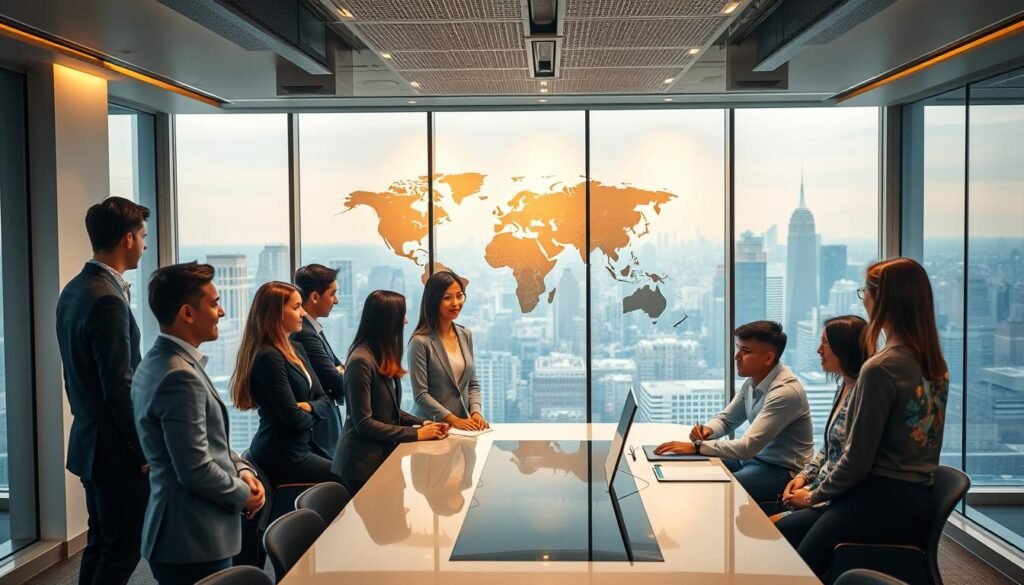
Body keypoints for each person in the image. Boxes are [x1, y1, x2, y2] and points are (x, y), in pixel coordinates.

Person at [781, 258, 949, 580]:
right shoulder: (935, 363)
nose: (864, 300)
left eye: (865, 292)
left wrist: (813, 496)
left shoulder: (881, 368)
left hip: (877, 499)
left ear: (882, 299)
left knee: (796, 569)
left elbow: (856, 459)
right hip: (915, 501)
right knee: (791, 537)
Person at [132, 262, 265, 585]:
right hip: (192, 537)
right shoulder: (179, 375)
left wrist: (244, 470)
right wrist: (242, 494)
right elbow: (194, 468)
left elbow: (209, 442)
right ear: (187, 313)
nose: (221, 312)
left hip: (187, 531)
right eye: (215, 303)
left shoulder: (161, 360)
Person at [55, 196, 150, 585]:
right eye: (143, 236)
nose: (145, 244)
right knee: (122, 550)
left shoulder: (75, 290)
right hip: (117, 452)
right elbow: (119, 386)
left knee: (101, 545)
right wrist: (142, 448)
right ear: (128, 239)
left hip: (90, 441)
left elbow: (78, 375)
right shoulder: (108, 299)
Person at [655, 320, 814, 511]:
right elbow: (726, 420)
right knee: (689, 467)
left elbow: (747, 447)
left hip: (780, 470)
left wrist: (697, 447)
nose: (736, 356)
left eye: (745, 352)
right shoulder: (753, 382)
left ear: (768, 358)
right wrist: (708, 430)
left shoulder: (785, 392)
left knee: (716, 489)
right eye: (738, 348)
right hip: (751, 460)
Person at [333, 290, 448, 495]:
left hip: (381, 459)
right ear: (387, 321)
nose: (405, 321)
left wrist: (422, 423)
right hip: (361, 466)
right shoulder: (361, 361)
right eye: (401, 316)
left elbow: (390, 412)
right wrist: (416, 434)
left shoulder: (381, 355)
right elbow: (364, 424)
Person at [231, 282, 336, 486]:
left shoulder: (295, 348)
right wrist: (317, 409)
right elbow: (293, 419)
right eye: (296, 307)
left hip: (301, 448)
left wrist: (309, 407)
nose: (303, 314)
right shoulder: (269, 356)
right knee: (345, 479)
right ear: (276, 313)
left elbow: (326, 397)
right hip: (282, 454)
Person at [772, 315, 868, 531]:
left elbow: (851, 464)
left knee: (770, 528)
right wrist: (804, 476)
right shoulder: (843, 387)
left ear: (845, 348)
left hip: (836, 499)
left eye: (825, 342)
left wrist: (810, 497)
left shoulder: (862, 394)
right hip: (820, 489)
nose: (818, 349)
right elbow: (830, 448)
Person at [408, 270, 488, 430]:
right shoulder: (420, 341)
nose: (455, 303)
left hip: (464, 427)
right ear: (433, 301)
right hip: (431, 427)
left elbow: (472, 384)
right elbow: (421, 396)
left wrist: (476, 413)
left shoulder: (466, 335)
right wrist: (454, 420)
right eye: (447, 298)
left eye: (459, 296)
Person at [293, 263, 345, 454]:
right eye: (332, 294)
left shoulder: (313, 329)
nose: (336, 300)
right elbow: (337, 382)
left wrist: (339, 370)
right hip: (319, 435)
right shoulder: (305, 334)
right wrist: (339, 372)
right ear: (315, 296)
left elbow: (339, 369)